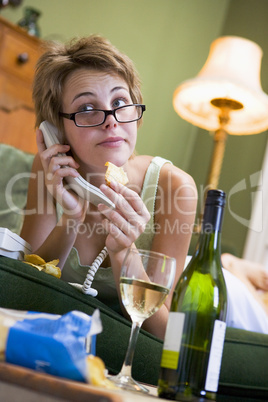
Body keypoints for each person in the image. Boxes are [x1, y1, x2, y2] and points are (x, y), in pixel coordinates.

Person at [20, 35, 197, 340]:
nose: (111, 121)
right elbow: (25, 289)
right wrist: (71, 218)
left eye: (119, 102)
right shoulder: (49, 169)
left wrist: (122, 251)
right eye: (87, 108)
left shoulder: (176, 187)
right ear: (57, 129)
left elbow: (166, 330)